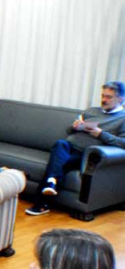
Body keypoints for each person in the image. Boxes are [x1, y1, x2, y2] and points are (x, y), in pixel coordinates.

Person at [26, 81, 125, 216]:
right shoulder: (91, 111)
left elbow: (123, 143)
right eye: (102, 96)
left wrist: (101, 134)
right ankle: (50, 184)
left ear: (120, 99)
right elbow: (68, 130)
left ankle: (42, 201)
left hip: (86, 155)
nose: (103, 100)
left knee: (58, 162)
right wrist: (74, 126)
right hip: (68, 146)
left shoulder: (122, 118)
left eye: (108, 97)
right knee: (60, 143)